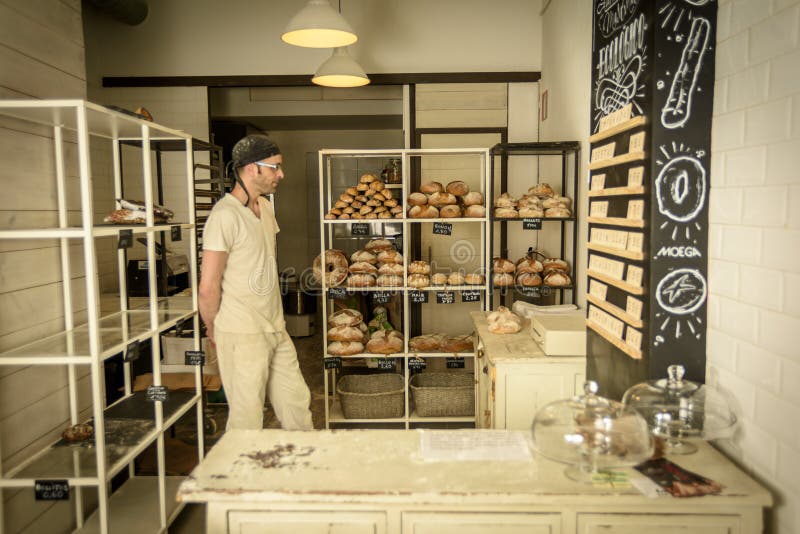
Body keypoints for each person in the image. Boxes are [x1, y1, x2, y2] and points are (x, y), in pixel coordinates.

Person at [198, 134, 313, 431]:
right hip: (242, 332)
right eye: (275, 167)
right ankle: (242, 463)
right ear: (252, 168)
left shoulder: (265, 208)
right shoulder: (224, 217)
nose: (281, 174)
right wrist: (212, 328)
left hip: (274, 327)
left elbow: (262, 261)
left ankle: (305, 458)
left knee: (296, 405)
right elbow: (208, 286)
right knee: (247, 419)